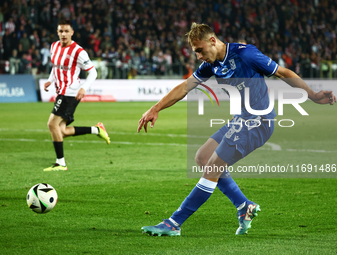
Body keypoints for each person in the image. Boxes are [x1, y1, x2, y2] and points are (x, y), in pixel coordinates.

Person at [137, 23, 336, 236]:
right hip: (241, 119)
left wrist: (313, 95)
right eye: (195, 52)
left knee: (212, 167)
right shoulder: (211, 65)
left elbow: (283, 73)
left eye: (200, 50)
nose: (198, 57)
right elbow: (185, 87)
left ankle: (174, 223)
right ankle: (244, 207)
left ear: (213, 41)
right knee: (203, 157)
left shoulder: (246, 54)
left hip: (259, 121)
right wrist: (156, 108)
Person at [43, 19, 110, 172]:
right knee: (62, 131)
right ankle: (97, 130)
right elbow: (56, 67)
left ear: (72, 32)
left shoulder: (78, 51)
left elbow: (93, 72)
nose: (63, 34)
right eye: (61, 31)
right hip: (61, 91)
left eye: (66, 31)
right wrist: (49, 81)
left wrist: (84, 88)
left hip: (70, 92)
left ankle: (61, 163)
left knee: (52, 124)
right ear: (57, 32)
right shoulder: (54, 46)